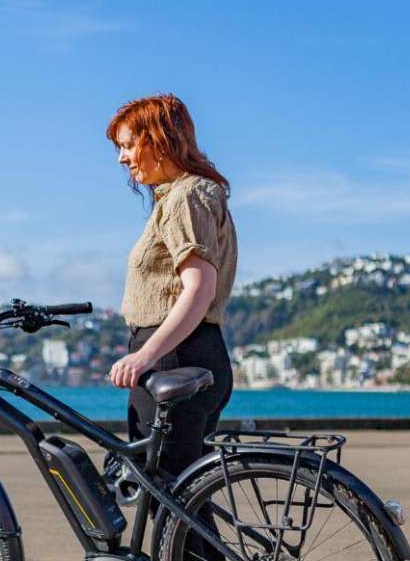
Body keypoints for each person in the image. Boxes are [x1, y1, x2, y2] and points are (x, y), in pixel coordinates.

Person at [106, 93, 237, 559]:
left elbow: (199, 289)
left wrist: (145, 355)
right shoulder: (191, 194)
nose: (122, 158)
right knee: (182, 496)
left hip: (174, 354)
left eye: (128, 144)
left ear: (159, 139)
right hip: (195, 352)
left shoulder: (185, 195)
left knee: (175, 505)